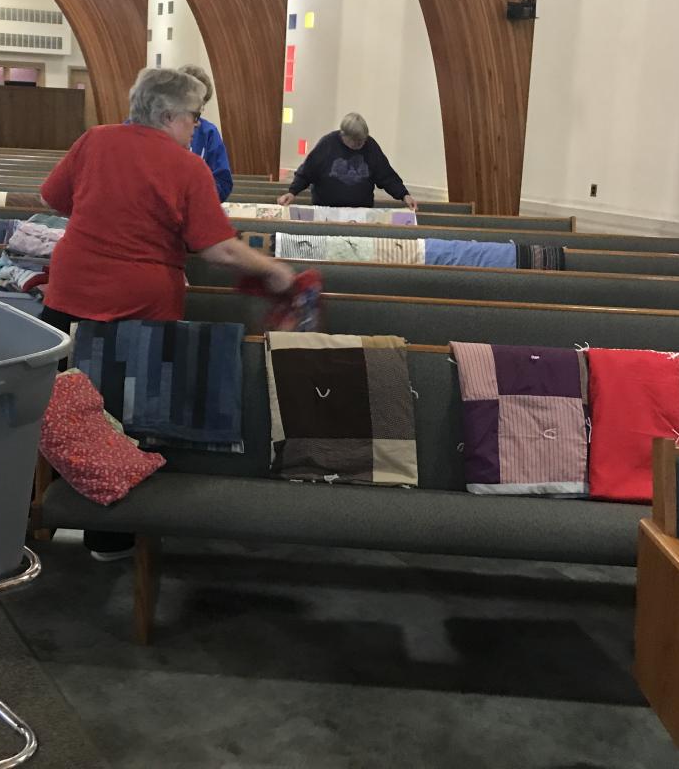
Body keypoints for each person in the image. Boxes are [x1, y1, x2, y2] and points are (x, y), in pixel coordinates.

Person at [40, 67, 294, 560]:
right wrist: (275, 272)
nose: (197, 125)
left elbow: (53, 199)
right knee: (122, 419)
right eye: (194, 116)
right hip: (138, 309)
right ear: (168, 115)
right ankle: (110, 537)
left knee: (63, 413)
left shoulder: (95, 140)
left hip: (70, 296)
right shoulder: (186, 167)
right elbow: (219, 249)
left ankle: (54, 511)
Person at [277, 113, 418, 211]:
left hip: (361, 212)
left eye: (363, 140)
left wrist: (404, 195)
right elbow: (307, 172)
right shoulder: (327, 144)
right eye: (356, 141)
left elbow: (386, 176)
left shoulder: (370, 146)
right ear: (343, 135)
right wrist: (292, 192)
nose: (360, 144)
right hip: (326, 211)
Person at [177, 64, 233, 202]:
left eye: (200, 107)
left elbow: (223, 182)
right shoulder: (148, 127)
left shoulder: (208, 133)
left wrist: (195, 194)